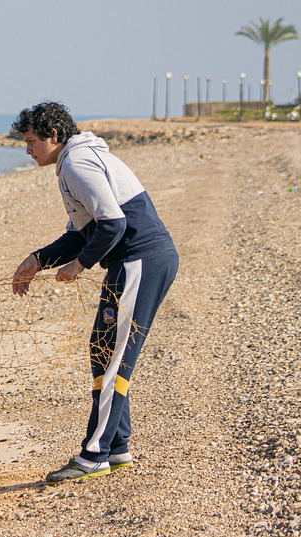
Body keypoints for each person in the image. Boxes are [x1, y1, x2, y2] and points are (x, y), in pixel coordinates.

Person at [10, 101, 178, 484]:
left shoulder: (77, 163)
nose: (28, 149)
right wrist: (38, 259)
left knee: (114, 356)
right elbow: (80, 233)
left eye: (33, 141)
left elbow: (113, 224)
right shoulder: (74, 159)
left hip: (141, 261)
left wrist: (80, 265)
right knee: (103, 349)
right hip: (136, 262)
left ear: (54, 136)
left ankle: (94, 454)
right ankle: (117, 447)